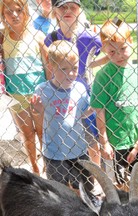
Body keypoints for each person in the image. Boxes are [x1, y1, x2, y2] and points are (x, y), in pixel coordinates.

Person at [90, 19, 138, 189]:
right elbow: (99, 110)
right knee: (121, 185)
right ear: (104, 51)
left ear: (131, 42)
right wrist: (105, 142)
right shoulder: (103, 75)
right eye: (112, 52)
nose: (119, 55)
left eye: (123, 49)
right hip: (116, 141)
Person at [44, 0, 103, 165]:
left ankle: (96, 174)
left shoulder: (90, 37)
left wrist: (91, 65)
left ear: (79, 11)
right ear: (55, 11)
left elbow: (110, 49)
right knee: (67, 136)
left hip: (84, 96)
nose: (67, 10)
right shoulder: (52, 39)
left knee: (91, 139)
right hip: (62, 95)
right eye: (62, 7)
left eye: (72, 7)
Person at [31, 40, 94, 191]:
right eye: (64, 69)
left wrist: (95, 107)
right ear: (51, 67)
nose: (71, 73)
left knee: (84, 189)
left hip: (78, 150)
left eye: (74, 68)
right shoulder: (42, 90)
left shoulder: (79, 88)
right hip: (54, 153)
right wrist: (37, 110)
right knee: (59, 192)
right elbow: (37, 116)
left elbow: (83, 114)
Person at [0, 0, 49, 174]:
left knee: (43, 133)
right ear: (3, 15)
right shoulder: (2, 37)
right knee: (28, 135)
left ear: (26, 12)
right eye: (8, 12)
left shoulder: (37, 36)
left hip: (38, 95)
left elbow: (48, 67)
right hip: (16, 97)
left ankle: (48, 164)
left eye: (18, 10)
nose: (14, 15)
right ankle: (34, 168)